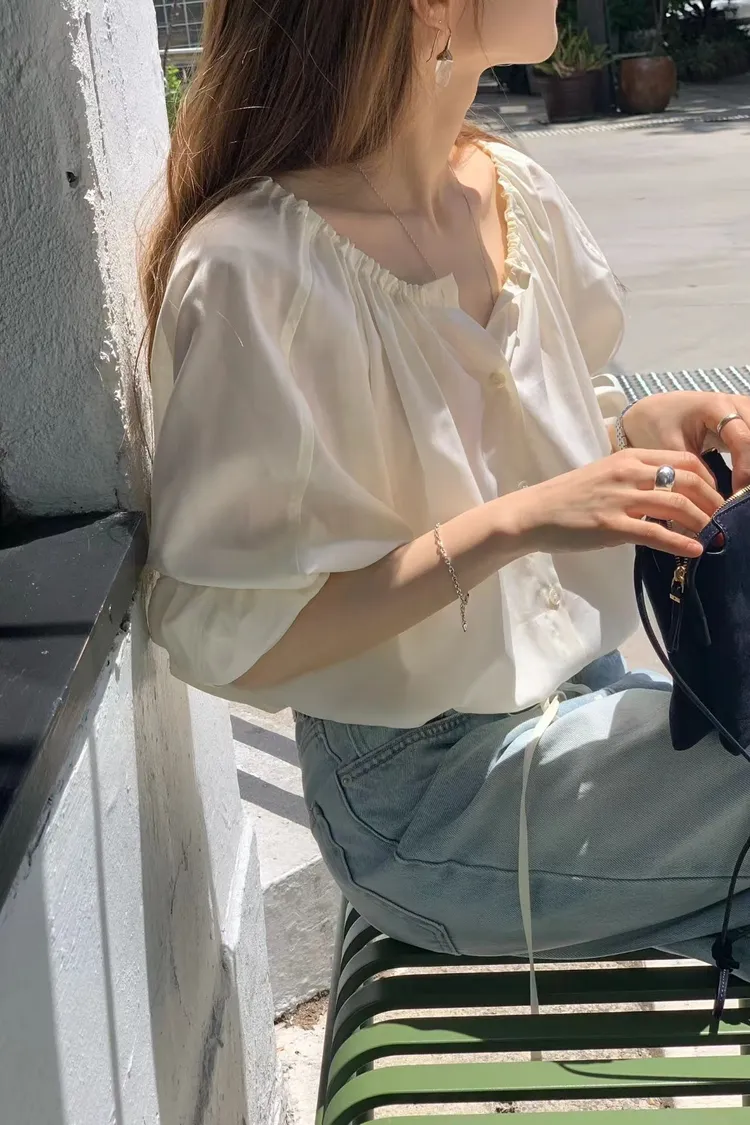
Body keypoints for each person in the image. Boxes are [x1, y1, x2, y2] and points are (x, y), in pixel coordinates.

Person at [142, 0, 750, 978]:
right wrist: (515, 524)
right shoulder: (255, 269)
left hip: (586, 709)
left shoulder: (513, 194)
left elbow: (521, 460)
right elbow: (234, 634)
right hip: (430, 802)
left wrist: (640, 431)